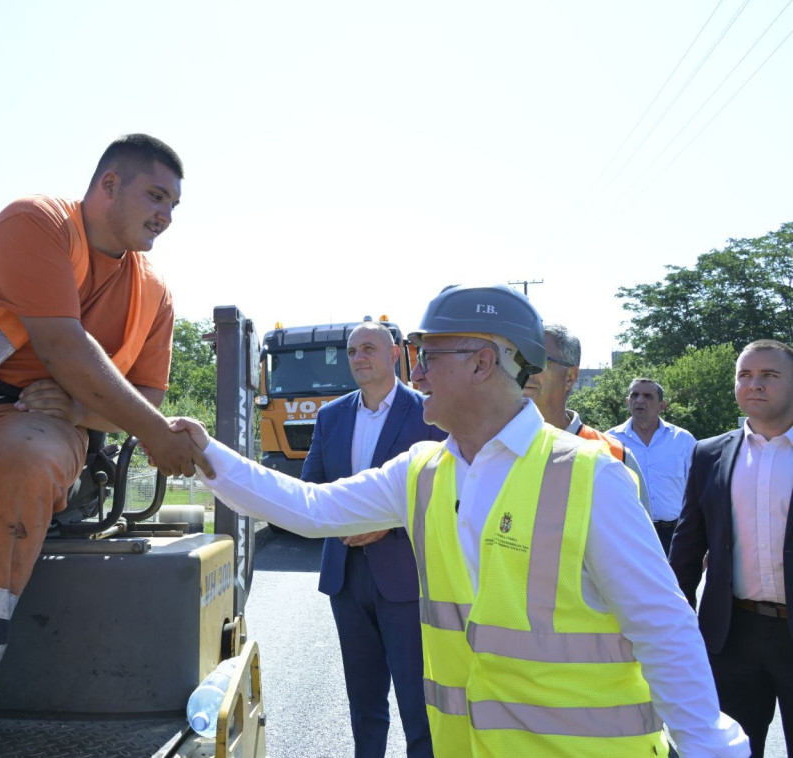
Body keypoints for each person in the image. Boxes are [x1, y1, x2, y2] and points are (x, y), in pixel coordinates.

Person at [171, 284, 749, 757]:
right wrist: (205, 453)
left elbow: (663, 627)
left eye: (428, 357)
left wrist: (707, 745)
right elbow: (311, 507)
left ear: (482, 362)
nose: (416, 375)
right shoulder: (424, 470)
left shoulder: (590, 476)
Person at [0, 134, 210, 758]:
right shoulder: (37, 223)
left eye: (173, 204)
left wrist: (81, 410)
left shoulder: (155, 295)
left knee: (23, 470)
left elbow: (148, 394)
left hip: (28, 424)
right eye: (155, 195)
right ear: (109, 184)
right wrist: (152, 433)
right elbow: (62, 345)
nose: (166, 214)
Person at [303, 321, 443, 758]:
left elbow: (447, 491)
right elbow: (313, 485)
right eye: (352, 351)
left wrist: (390, 523)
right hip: (346, 579)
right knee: (363, 704)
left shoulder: (428, 413)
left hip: (406, 580)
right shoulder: (331, 416)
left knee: (419, 705)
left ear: (395, 353)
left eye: (368, 348)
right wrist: (340, 520)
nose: (358, 357)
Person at [670, 339, 793, 758]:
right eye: (745, 375)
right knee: (732, 751)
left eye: (769, 375)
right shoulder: (710, 454)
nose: (754, 384)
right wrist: (674, 625)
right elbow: (687, 549)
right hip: (732, 635)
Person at [522, 323, 652, 515]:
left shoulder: (615, 455)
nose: (526, 369)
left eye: (539, 360)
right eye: (520, 359)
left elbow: (638, 533)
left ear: (570, 377)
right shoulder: (490, 445)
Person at [607, 378, 696, 555]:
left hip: (675, 535)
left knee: (678, 575)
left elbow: (698, 490)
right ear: (627, 402)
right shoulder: (610, 441)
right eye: (635, 395)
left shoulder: (682, 440)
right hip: (628, 535)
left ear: (662, 405)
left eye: (648, 396)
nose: (640, 400)